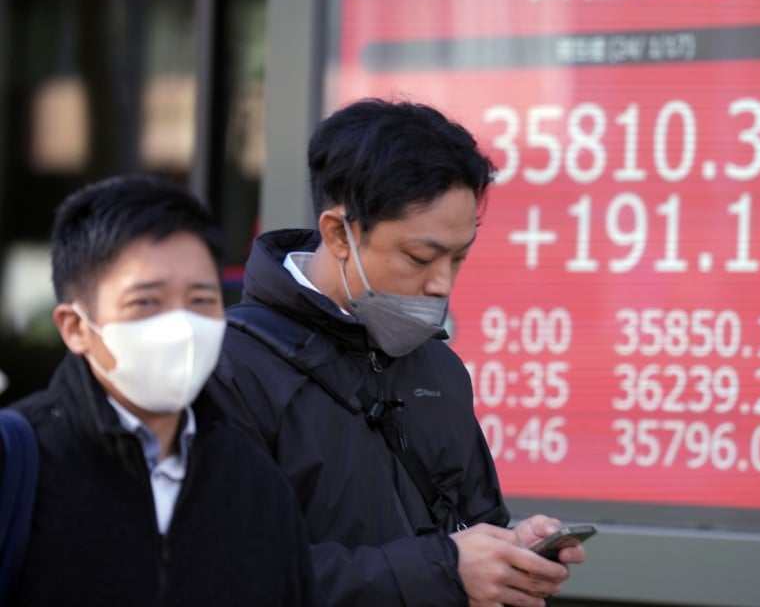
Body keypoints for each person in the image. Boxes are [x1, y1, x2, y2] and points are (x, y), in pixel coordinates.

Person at [206, 98, 587, 606]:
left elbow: (470, 528)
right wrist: (446, 571)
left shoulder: (440, 370)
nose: (441, 283)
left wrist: (510, 553)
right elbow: (226, 574)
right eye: (421, 257)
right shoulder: (228, 369)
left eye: (460, 258)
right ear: (339, 232)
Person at [10, 174, 322, 606]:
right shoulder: (22, 465)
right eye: (146, 302)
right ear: (76, 327)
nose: (181, 327)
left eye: (201, 300)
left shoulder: (254, 479)